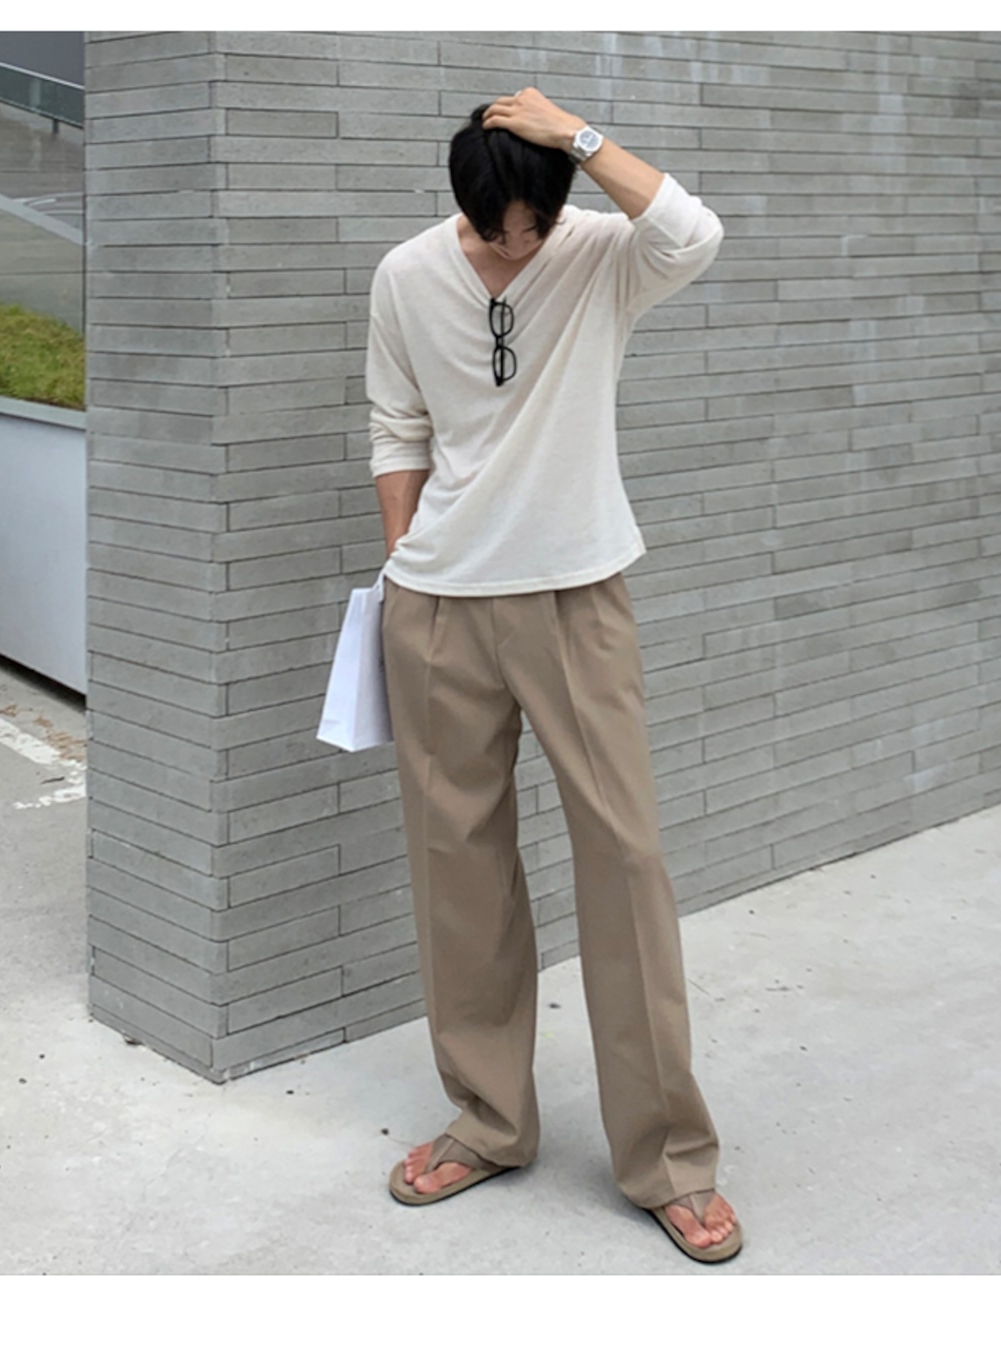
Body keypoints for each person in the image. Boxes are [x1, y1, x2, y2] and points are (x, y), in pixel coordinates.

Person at [365, 87, 741, 1264]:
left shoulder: (601, 257)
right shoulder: (405, 273)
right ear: (461, 202)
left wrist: (572, 134)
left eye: (531, 224)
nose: (513, 246)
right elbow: (396, 427)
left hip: (576, 593)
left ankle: (668, 1160)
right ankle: (487, 1121)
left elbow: (692, 230)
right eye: (494, 228)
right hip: (437, 605)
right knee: (456, 869)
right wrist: (404, 563)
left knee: (625, 861)